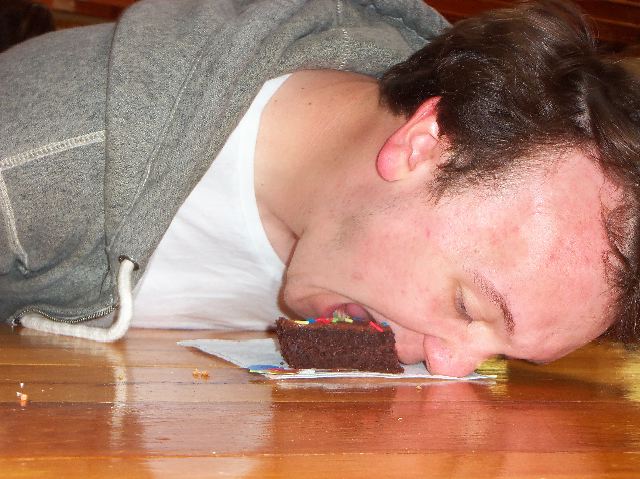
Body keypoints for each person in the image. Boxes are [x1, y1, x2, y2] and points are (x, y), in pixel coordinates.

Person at [1, 0, 639, 377]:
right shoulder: (31, 166)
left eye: (504, 356)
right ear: (422, 145)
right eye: (467, 308)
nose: (450, 368)